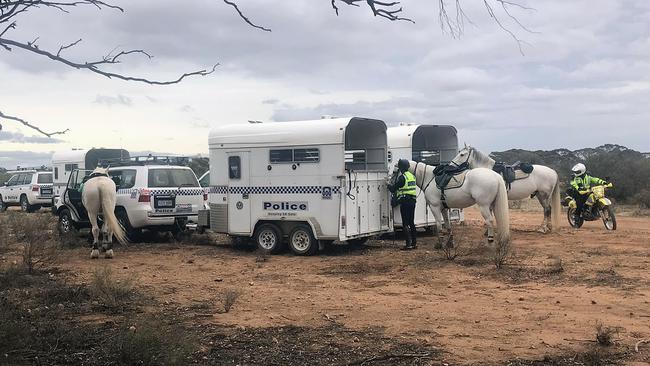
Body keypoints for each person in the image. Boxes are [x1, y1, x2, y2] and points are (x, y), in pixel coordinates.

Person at [388, 159, 417, 250]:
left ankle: (408, 244)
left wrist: (388, 184)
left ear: (401, 168)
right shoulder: (412, 176)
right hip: (412, 201)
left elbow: (393, 189)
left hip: (405, 202)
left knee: (405, 223)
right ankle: (414, 243)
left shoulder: (402, 177)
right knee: (411, 222)